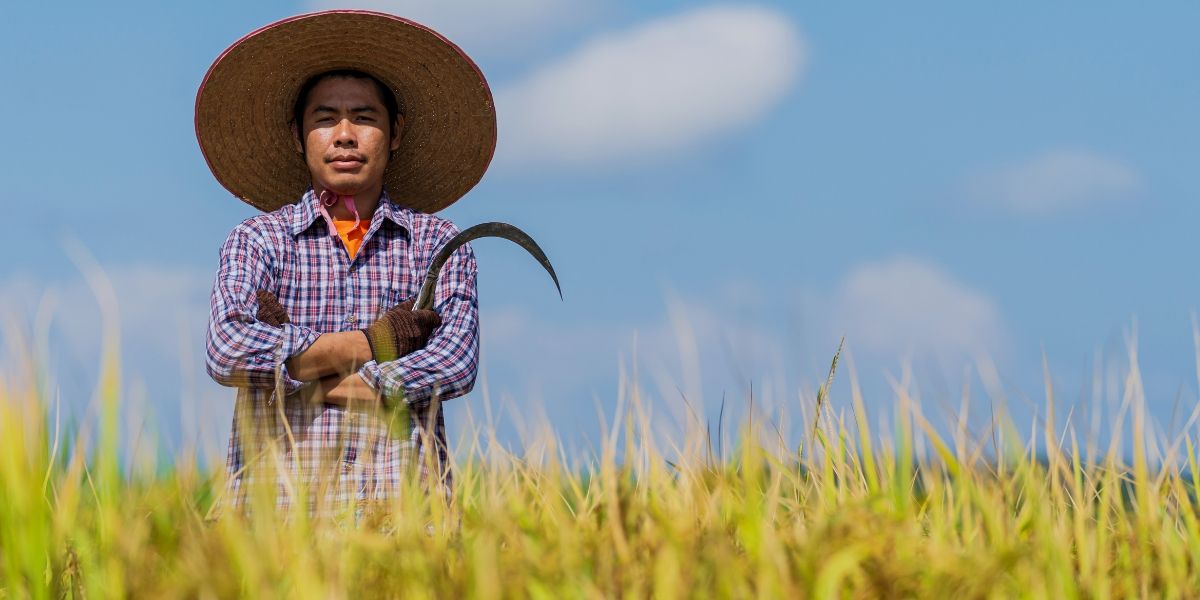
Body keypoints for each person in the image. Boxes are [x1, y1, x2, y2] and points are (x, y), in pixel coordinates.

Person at [196, 10, 497, 516]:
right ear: (298, 135)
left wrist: (299, 365)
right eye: (324, 118)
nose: (344, 135)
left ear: (394, 132)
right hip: (275, 524)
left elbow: (456, 363)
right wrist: (378, 343)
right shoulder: (258, 242)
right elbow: (226, 349)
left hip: (404, 522)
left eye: (364, 117)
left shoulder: (436, 244)